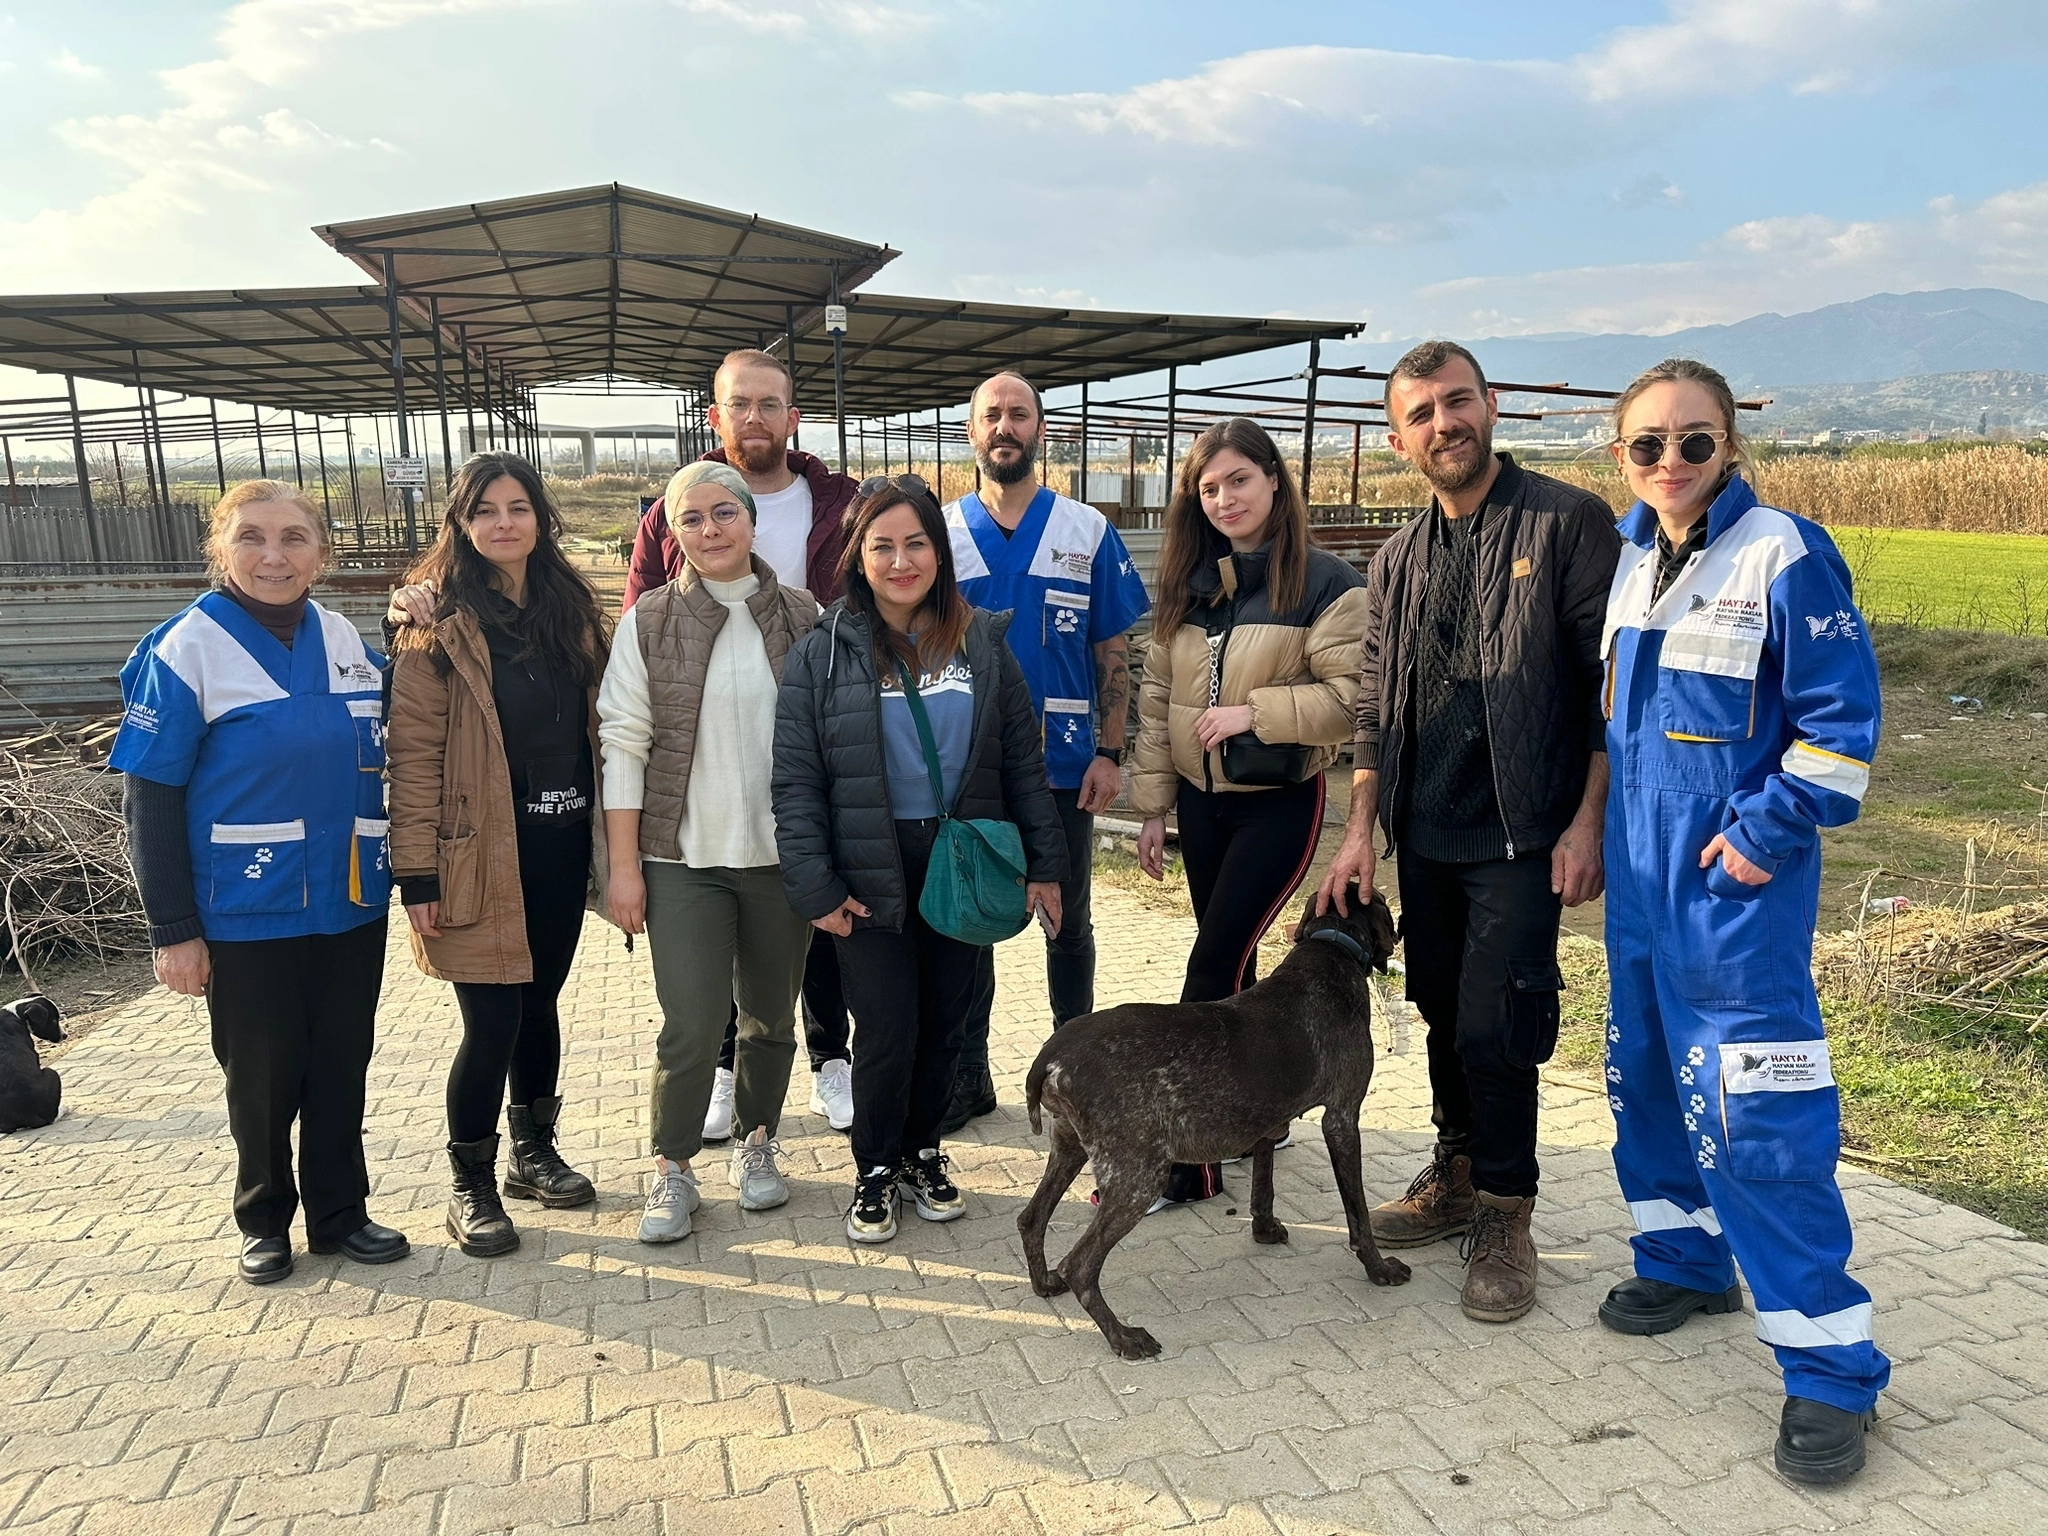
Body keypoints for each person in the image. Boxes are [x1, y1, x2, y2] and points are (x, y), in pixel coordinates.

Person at [1596, 358, 1888, 1484]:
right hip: (1637, 891)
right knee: (1647, 1078)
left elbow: (1838, 724)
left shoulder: (1781, 552)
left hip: (1730, 902)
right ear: (1620, 456)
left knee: (1757, 1117)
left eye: (1692, 441)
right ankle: (1680, 1255)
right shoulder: (1631, 560)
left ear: (1729, 446)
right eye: (1647, 444)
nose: (1669, 462)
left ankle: (1829, 1371)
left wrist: (1762, 836)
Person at [1315, 340, 1620, 1326]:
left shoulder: (1566, 523)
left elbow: (1605, 691)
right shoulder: (1397, 558)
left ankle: (1504, 1209)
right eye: (1421, 413)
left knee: (1499, 1023)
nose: (1442, 424)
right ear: (1398, 437)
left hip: (1521, 831)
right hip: (1426, 834)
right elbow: (1368, 708)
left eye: (1456, 402)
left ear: (1489, 406)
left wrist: (1585, 821)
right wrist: (1358, 829)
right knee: (1443, 1013)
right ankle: (1452, 1170)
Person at [113, 479, 408, 1285]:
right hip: (245, 909)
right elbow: (151, 800)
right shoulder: (186, 648)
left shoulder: (345, 636)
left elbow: (412, 714)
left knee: (342, 1062)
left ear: (321, 550)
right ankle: (265, 1218)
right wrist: (173, 930)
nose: (273, 556)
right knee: (263, 1072)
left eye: (293, 538)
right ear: (221, 549)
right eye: (251, 537)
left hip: (349, 899)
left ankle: (342, 1214)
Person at [773, 476, 1068, 1244]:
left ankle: (923, 1152)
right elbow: (796, 780)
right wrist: (815, 885)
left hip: (960, 863)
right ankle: (874, 1165)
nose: (901, 560)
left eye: (916, 543)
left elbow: (1021, 767)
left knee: (946, 1023)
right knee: (884, 1028)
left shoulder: (983, 645)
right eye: (883, 546)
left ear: (938, 552)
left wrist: (1046, 865)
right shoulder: (822, 655)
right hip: (867, 869)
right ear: (858, 557)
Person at [1129, 418, 1367, 1211]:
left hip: (1279, 807)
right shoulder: (1191, 584)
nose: (1225, 498)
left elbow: (1349, 704)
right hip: (1201, 809)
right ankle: (1267, 1106)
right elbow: (1158, 700)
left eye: (1238, 480)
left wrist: (1251, 714)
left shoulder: (1328, 584)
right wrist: (1155, 808)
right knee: (1235, 969)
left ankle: (1189, 1166)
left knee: (1211, 968)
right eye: (1208, 488)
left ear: (1273, 481)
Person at [624, 348, 861, 1142]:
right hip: (694, 815)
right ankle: (699, 1112)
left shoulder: (836, 509)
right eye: (739, 405)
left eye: (769, 404)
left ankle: (828, 1064)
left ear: (793, 418)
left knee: (797, 974)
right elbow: (637, 678)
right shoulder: (668, 537)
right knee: (700, 1002)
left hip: (789, 794)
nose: (753, 418)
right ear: (715, 418)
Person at [385, 452, 613, 1259]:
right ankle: (469, 1185)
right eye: (485, 511)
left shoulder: (573, 613)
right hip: (477, 857)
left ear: (541, 519)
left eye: (519, 507)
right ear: (462, 524)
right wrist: (416, 871)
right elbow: (410, 759)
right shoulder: (432, 626)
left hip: (558, 845)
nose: (504, 523)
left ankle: (533, 1155)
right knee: (491, 1023)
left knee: (541, 1002)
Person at [598, 463, 820, 1243]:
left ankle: (758, 1144)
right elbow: (623, 743)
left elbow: (827, 740)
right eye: (689, 520)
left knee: (770, 1020)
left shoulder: (803, 615)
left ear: (753, 521)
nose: (710, 530)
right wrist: (624, 866)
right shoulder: (648, 622)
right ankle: (674, 1167)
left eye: (724, 513)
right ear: (672, 534)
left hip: (779, 860)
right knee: (691, 1026)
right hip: (681, 860)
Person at [939, 370, 1151, 1132]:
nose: (1005, 426)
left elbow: (1115, 651)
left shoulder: (1085, 531)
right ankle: (968, 1075)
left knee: (1070, 922)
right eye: (990, 413)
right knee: (973, 921)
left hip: (1065, 768)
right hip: (968, 770)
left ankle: (1075, 1075)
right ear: (972, 431)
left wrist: (1109, 751)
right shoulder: (940, 531)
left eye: (1018, 414)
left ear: (1040, 430)